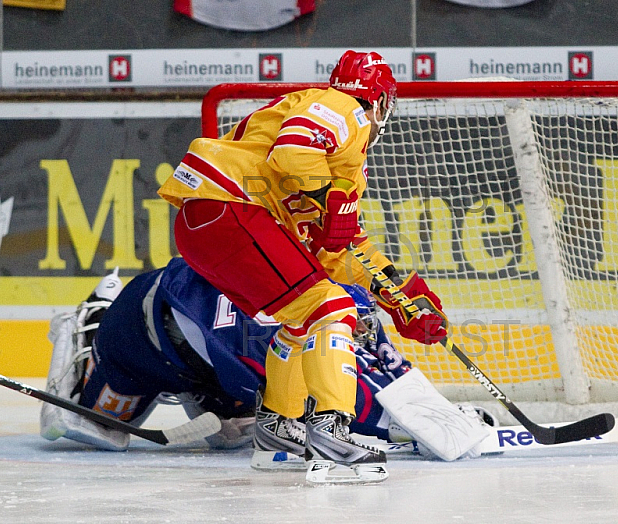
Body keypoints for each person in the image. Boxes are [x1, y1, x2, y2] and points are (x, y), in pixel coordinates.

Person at [155, 50, 449, 472]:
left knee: (302, 318)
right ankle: (331, 432)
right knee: (333, 310)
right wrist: (330, 199)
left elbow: (337, 247)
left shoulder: (340, 160)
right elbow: (291, 152)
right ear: (381, 99)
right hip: (232, 209)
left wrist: (399, 297)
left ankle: (277, 431)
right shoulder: (343, 108)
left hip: (212, 221)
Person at [40, 260, 492, 467]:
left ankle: (205, 391)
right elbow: (343, 401)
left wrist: (440, 413)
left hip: (208, 360)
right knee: (92, 428)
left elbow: (379, 362)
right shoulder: (268, 333)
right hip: (139, 337)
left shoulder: (322, 305)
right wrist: (408, 430)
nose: (356, 338)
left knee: (240, 430)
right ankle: (94, 318)